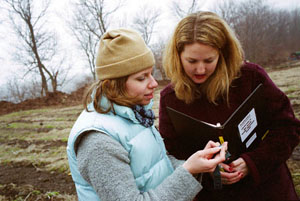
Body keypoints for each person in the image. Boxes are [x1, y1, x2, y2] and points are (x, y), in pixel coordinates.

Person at [67, 28, 227, 201]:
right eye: (142, 78)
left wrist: (198, 165)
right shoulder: (98, 142)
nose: (154, 83)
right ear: (112, 85)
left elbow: (155, 167)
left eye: (151, 74)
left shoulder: (134, 114)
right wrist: (188, 171)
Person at [159, 11, 300, 201]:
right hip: (214, 195)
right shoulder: (170, 99)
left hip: (269, 190)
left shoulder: (250, 78)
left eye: (209, 60)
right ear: (178, 56)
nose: (200, 69)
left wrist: (252, 163)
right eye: (192, 61)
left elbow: (288, 128)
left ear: (223, 53)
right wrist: (206, 171)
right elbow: (172, 156)